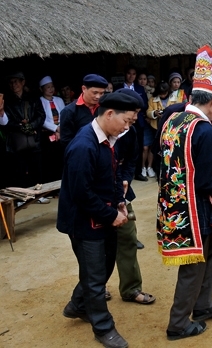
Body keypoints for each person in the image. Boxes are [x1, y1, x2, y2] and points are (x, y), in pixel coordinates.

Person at [157, 54, 212, 341]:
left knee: (209, 253)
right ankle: (178, 323)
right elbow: (204, 181)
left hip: (174, 203)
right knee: (194, 265)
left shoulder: (174, 118)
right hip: (195, 208)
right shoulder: (203, 130)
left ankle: (203, 306)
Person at [57, 92, 139, 348]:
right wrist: (111, 215)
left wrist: (120, 202)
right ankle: (103, 328)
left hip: (104, 215)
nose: (127, 128)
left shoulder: (109, 139)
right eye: (126, 121)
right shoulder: (84, 145)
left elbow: (114, 175)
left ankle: (77, 305)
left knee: (103, 269)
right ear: (109, 113)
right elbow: (82, 194)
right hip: (84, 222)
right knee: (95, 277)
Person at [112, 89, 156, 305]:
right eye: (133, 114)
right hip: (101, 196)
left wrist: (126, 178)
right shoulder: (94, 133)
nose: (136, 119)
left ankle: (131, 289)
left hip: (123, 194)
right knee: (97, 246)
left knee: (128, 238)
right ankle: (92, 290)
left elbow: (131, 159)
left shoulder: (132, 131)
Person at [2, 72, 46, 189]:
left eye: (16, 81)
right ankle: (22, 196)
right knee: (18, 168)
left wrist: (30, 125)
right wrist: (20, 125)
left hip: (33, 139)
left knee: (36, 167)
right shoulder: (7, 101)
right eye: (11, 83)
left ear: (23, 82)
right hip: (16, 141)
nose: (13, 85)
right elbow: (5, 122)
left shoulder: (33, 98)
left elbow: (41, 115)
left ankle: (38, 194)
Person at [59, 74, 108, 149]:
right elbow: (66, 141)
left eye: (101, 93)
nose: (98, 96)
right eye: (95, 93)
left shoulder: (105, 108)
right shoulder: (69, 111)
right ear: (84, 89)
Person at [122, 67, 149, 182]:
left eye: (133, 74)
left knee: (137, 146)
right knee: (123, 146)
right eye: (129, 73)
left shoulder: (139, 88)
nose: (131, 76)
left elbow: (145, 105)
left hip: (138, 121)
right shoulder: (119, 87)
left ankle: (138, 172)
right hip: (122, 121)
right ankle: (123, 173)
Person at [39, 76, 66, 183]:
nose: (51, 89)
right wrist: (56, 128)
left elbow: (64, 115)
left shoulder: (59, 100)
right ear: (41, 89)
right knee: (50, 161)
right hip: (47, 134)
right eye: (47, 87)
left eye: (52, 86)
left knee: (62, 159)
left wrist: (60, 129)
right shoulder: (39, 101)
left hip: (61, 133)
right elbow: (42, 119)